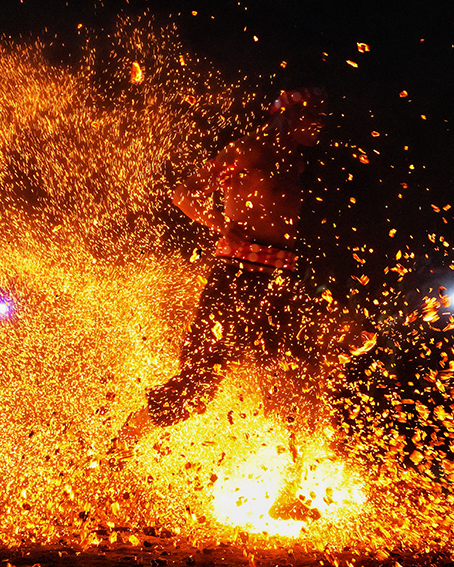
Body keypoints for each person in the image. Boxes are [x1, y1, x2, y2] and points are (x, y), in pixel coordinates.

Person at [113, 88, 332, 519]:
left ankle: (292, 493)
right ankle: (120, 449)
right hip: (235, 277)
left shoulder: (297, 161)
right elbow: (184, 193)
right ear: (286, 117)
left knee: (301, 375)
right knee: (198, 386)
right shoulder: (247, 150)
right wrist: (223, 227)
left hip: (280, 279)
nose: (320, 125)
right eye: (313, 115)